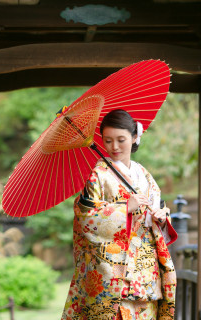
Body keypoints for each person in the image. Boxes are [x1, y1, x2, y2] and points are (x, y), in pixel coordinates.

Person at [61, 109, 177, 320]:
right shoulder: (97, 175)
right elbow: (85, 217)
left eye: (121, 140)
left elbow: (157, 210)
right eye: (108, 140)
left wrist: (161, 217)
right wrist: (124, 208)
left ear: (134, 138)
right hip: (112, 275)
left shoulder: (144, 174)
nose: (114, 147)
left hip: (146, 273)